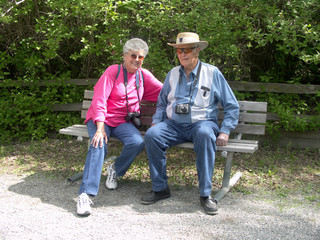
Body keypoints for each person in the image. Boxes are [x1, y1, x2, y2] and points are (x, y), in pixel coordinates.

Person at [140, 32, 239, 215]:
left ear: (197, 50)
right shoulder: (172, 74)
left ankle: (205, 195)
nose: (182, 54)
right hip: (173, 125)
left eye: (186, 50)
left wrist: (225, 130)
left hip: (202, 123)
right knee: (152, 136)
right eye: (179, 51)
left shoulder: (212, 73)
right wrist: (155, 123)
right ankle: (160, 189)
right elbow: (162, 103)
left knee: (204, 134)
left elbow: (231, 105)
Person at [76, 38, 163, 216]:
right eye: (133, 55)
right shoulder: (112, 72)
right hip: (103, 119)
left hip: (123, 121)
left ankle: (115, 169)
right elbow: (99, 100)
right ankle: (85, 194)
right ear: (124, 55)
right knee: (99, 144)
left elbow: (164, 91)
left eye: (141, 57)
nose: (137, 60)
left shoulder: (143, 75)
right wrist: (100, 129)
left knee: (138, 142)